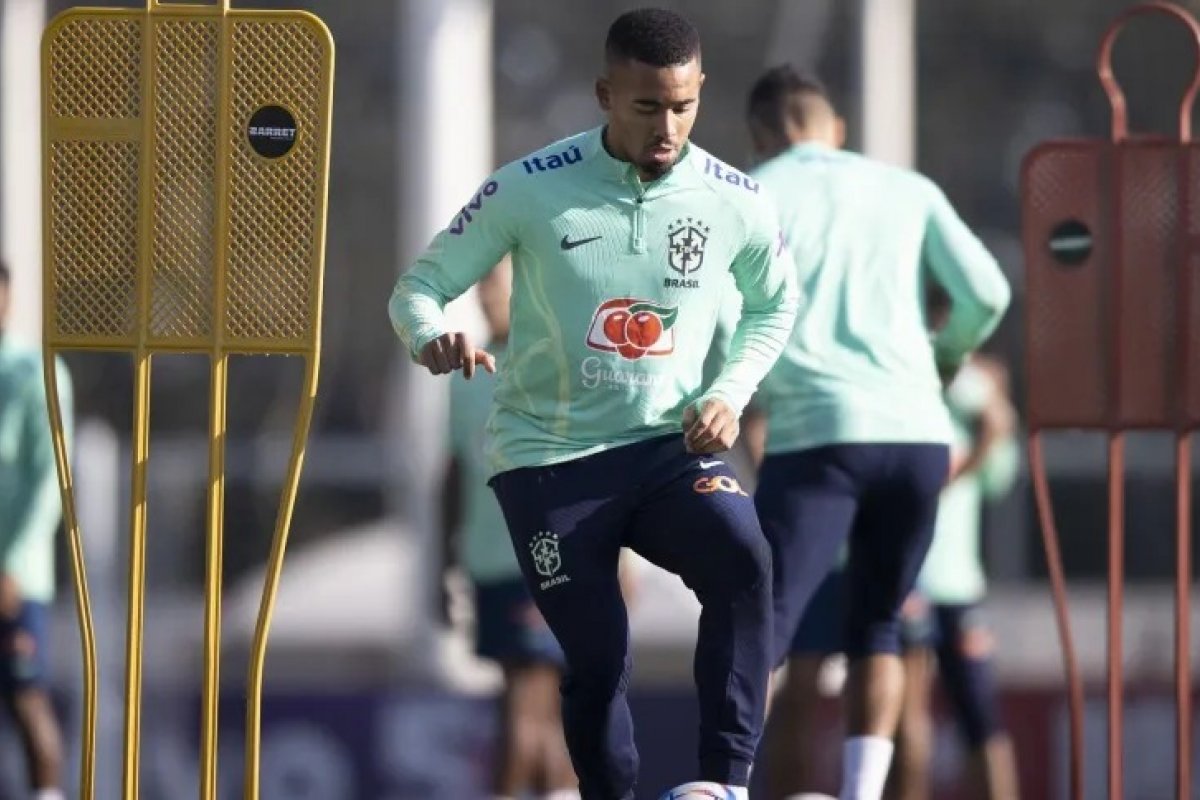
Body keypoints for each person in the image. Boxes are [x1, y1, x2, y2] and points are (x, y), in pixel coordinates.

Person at [390, 9, 799, 798]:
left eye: (682, 106)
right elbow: (418, 288)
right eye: (647, 107)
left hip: (667, 450)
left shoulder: (735, 200)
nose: (667, 127)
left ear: (700, 91)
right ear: (606, 93)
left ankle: (722, 784)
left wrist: (728, 390)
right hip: (550, 462)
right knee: (597, 656)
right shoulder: (528, 188)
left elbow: (773, 306)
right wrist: (429, 336)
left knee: (745, 559)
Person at [745, 67, 1010, 800]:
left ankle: (722, 782)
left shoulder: (751, 192)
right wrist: (944, 359)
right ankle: (862, 794)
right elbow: (987, 292)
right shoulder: (907, 187)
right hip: (917, 434)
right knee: (880, 626)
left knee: (759, 618)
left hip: (819, 434)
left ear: (761, 135)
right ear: (836, 129)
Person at [441, 258, 580, 800]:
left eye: (497, 285)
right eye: (482, 287)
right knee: (529, 703)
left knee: (530, 699)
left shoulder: (553, 365)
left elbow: (590, 464)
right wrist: (443, 559)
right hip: (489, 561)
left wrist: (621, 556)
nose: (487, 296)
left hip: (546, 556)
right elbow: (452, 471)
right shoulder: (467, 372)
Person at [889, 348, 1021, 800]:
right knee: (907, 721)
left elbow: (999, 477)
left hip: (959, 585)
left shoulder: (969, 409)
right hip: (906, 579)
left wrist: (993, 411)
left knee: (981, 720)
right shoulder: (903, 393)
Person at [0, 262, 71, 800]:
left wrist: (12, 565)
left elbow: (49, 479)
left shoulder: (32, 369)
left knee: (26, 697)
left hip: (12, 578)